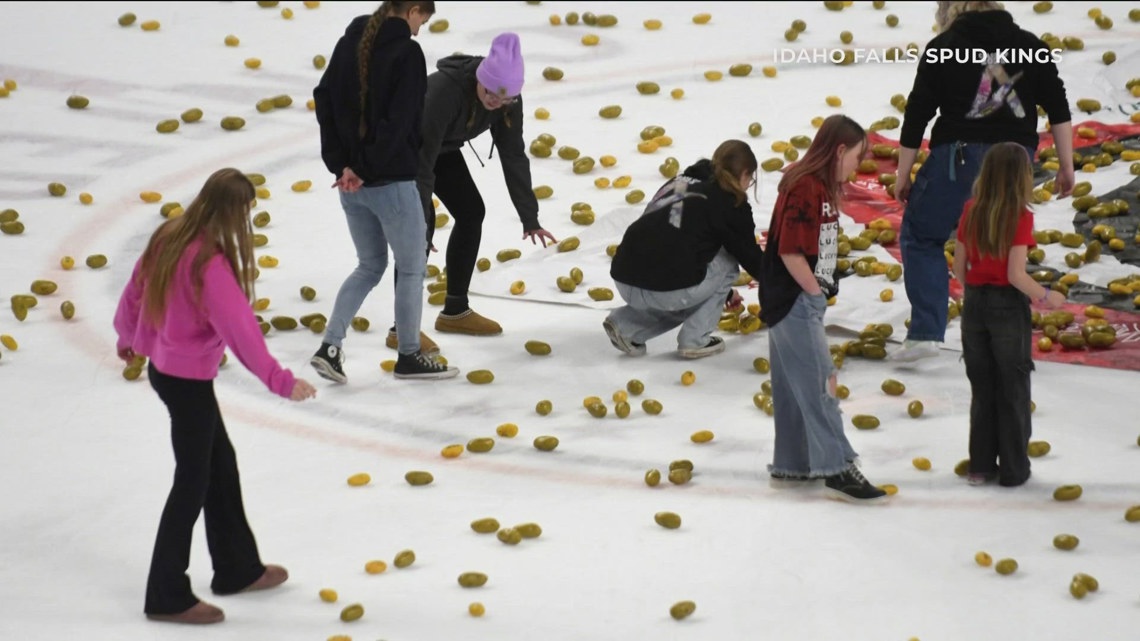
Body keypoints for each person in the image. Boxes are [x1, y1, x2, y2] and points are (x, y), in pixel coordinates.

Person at [112, 168, 318, 624]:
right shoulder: (211, 266)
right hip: (187, 383)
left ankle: (237, 567)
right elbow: (242, 333)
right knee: (192, 482)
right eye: (244, 212)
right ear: (231, 212)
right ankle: (167, 593)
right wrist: (281, 380)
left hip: (166, 373)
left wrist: (128, 337)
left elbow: (134, 291)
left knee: (218, 466)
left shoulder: (170, 234)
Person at [891, 0, 1074, 362]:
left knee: (922, 235)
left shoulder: (942, 49)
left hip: (958, 158)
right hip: (1014, 161)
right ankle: (1003, 330)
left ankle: (927, 332)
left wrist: (903, 174)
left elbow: (917, 114)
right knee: (1002, 240)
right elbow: (1058, 105)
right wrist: (1067, 166)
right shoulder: (1031, 45)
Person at [310, 1, 458, 382]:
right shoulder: (407, 53)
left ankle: (330, 345)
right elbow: (401, 119)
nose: (419, 30)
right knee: (411, 269)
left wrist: (342, 165)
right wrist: (364, 167)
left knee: (369, 266)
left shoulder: (349, 42)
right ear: (411, 10)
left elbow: (323, 100)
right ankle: (409, 355)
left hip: (350, 186)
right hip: (390, 181)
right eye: (422, 21)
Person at [758, 115, 887, 504]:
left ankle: (793, 464)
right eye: (857, 156)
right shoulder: (805, 187)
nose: (859, 165)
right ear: (840, 150)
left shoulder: (818, 185)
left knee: (794, 386)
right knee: (820, 383)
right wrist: (814, 294)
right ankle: (836, 468)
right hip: (795, 299)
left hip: (795, 297)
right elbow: (790, 250)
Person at [413, 31, 557, 337]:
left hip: (443, 148)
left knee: (471, 212)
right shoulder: (442, 93)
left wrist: (529, 217)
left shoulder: (506, 102)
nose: (495, 103)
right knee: (419, 231)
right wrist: (417, 216)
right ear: (480, 78)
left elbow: (514, 155)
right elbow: (421, 159)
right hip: (404, 148)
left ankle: (455, 311)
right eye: (491, 93)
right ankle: (403, 328)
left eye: (505, 99)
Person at [952, 143, 1064, 487]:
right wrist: (1047, 295)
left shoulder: (970, 209)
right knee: (1013, 388)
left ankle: (980, 466)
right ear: (1020, 179)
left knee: (982, 388)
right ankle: (1014, 470)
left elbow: (958, 268)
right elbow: (1017, 274)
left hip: (974, 305)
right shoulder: (1020, 216)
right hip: (1006, 307)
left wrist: (976, 285)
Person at [604, 140, 763, 359]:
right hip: (664, 289)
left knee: (678, 279)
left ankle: (626, 326)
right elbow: (752, 259)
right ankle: (695, 341)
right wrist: (791, 291)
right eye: (750, 179)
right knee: (728, 261)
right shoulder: (731, 204)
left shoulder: (679, 181)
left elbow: (673, 239)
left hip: (624, 277)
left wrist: (722, 293)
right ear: (744, 174)